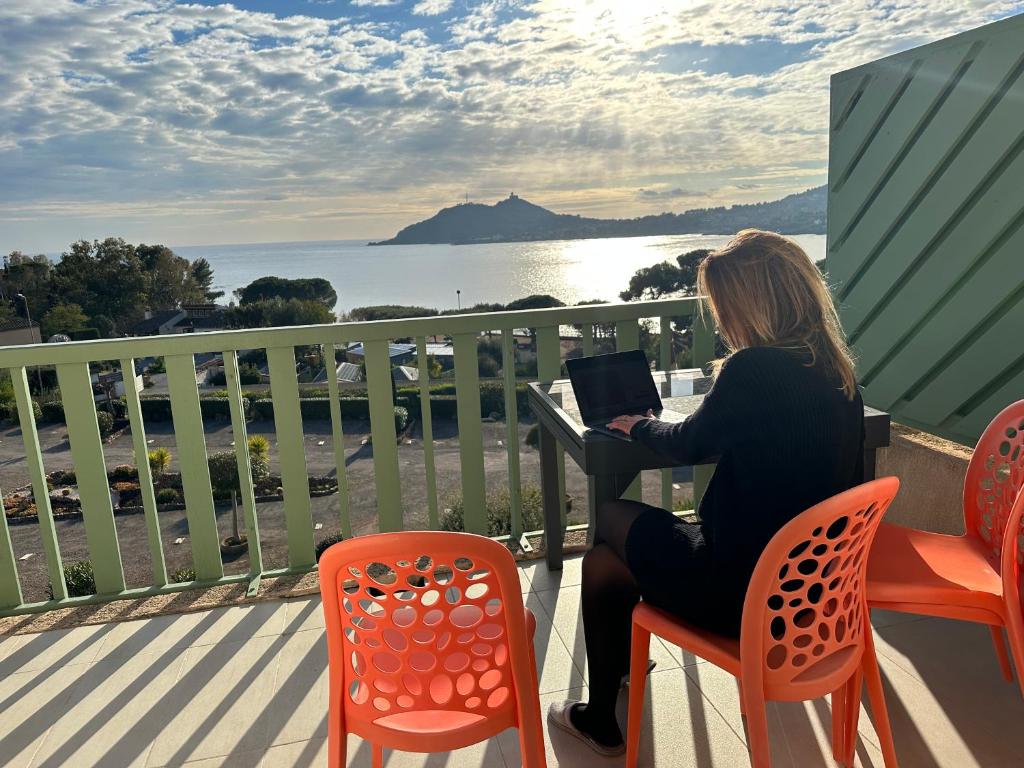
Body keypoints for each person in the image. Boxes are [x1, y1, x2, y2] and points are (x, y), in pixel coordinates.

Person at [547, 230, 865, 756]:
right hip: (814, 599)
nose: (721, 320)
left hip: (743, 598)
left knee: (607, 525)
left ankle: (601, 714)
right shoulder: (837, 372)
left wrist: (638, 426)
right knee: (611, 549)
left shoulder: (753, 370)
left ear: (751, 304)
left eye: (724, 306)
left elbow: (689, 442)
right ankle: (617, 671)